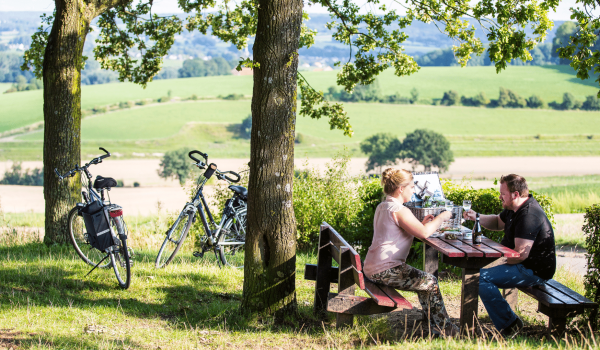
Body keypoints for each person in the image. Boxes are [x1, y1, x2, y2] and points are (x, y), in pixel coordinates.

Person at [363, 168, 459, 336]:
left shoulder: (383, 206)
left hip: (373, 267)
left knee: (426, 282)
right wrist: (442, 217)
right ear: (401, 189)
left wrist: (421, 223)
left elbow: (399, 233)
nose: (413, 190)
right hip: (386, 270)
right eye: (412, 187)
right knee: (430, 282)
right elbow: (423, 233)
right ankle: (445, 329)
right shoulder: (400, 210)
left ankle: (433, 322)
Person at [463, 174, 556, 336]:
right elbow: (498, 222)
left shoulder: (529, 215)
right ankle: (506, 320)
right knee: (475, 274)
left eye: (503, 194)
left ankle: (510, 324)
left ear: (516, 194)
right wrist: (476, 217)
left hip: (533, 270)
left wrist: (495, 259)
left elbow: (520, 255)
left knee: (477, 279)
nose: (500, 197)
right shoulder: (514, 209)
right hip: (522, 265)